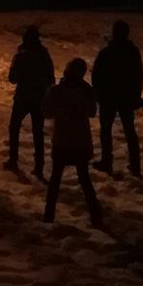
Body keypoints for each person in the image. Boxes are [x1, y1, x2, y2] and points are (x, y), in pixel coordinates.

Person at [43, 58, 103, 226]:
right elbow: (91, 112)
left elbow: (47, 111)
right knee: (84, 180)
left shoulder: (56, 91)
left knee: (55, 181)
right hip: (80, 142)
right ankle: (95, 216)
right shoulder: (87, 91)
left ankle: (48, 215)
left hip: (62, 141)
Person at [92, 20, 143, 177]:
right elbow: (138, 76)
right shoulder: (132, 52)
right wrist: (136, 95)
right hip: (126, 97)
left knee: (106, 130)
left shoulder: (107, 52)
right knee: (129, 131)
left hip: (108, 97)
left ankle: (106, 161)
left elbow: (97, 75)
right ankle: (135, 165)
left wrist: (98, 93)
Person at [5, 24, 55, 175]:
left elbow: (12, 78)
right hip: (39, 97)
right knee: (38, 131)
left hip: (23, 97)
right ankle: (39, 165)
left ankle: (13, 159)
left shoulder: (21, 55)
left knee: (14, 127)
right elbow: (51, 78)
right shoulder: (44, 54)